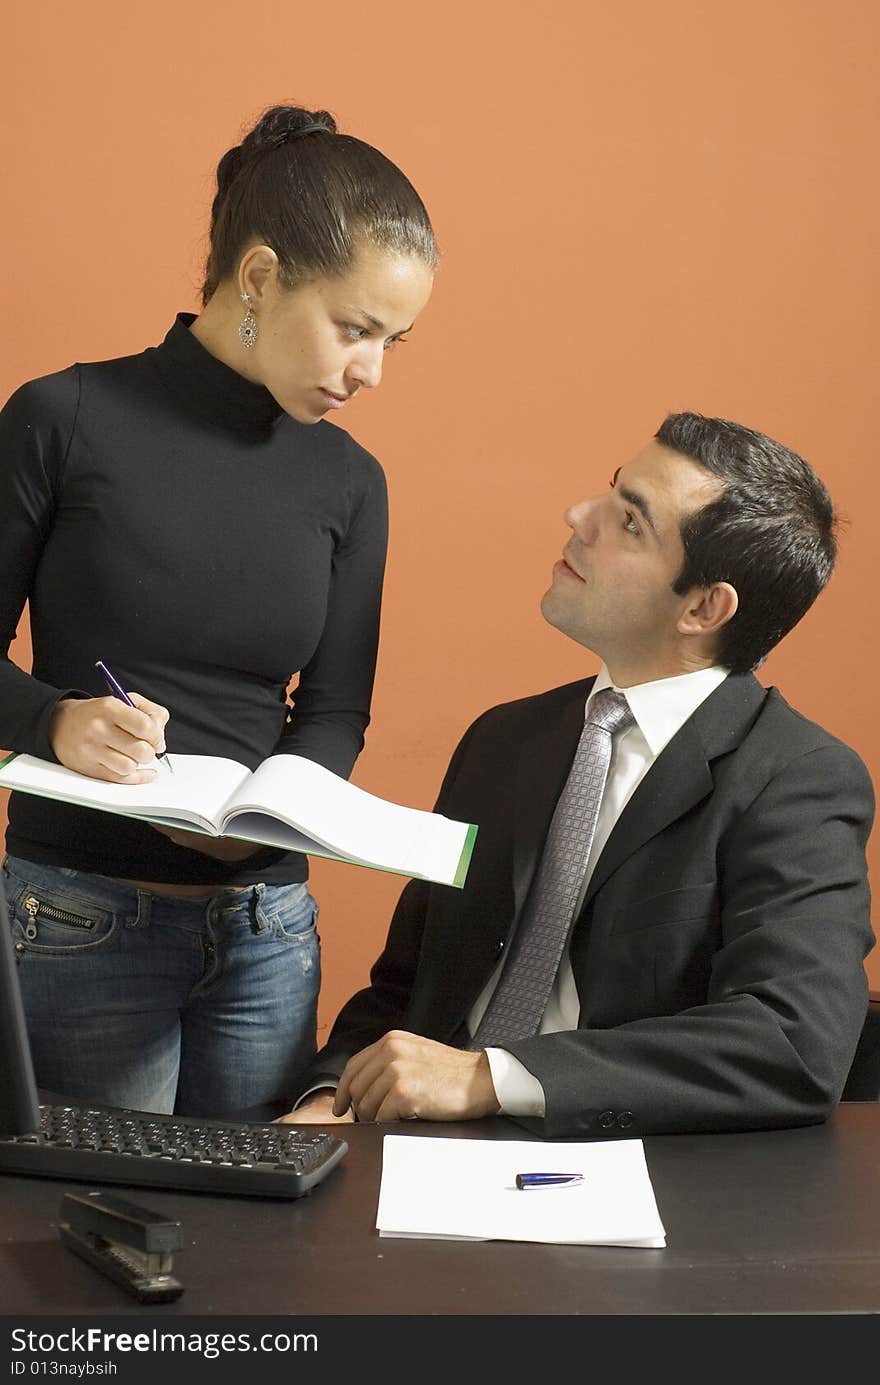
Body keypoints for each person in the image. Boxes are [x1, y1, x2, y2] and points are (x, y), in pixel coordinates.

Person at [0, 104, 437, 1118]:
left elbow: (334, 711)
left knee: (261, 1254)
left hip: (267, 932)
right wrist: (56, 722)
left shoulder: (351, 482)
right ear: (258, 277)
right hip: (76, 916)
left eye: (393, 342)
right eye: (354, 328)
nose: (369, 369)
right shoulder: (61, 418)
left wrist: (272, 818)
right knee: (93, 1252)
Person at [288, 412, 875, 1138]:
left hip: (609, 1175)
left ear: (703, 606)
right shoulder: (503, 739)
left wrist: (493, 1078)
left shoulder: (797, 778)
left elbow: (794, 1041)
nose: (578, 516)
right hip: (418, 1147)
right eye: (610, 492)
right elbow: (405, 989)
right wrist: (327, 1093)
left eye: (630, 522)